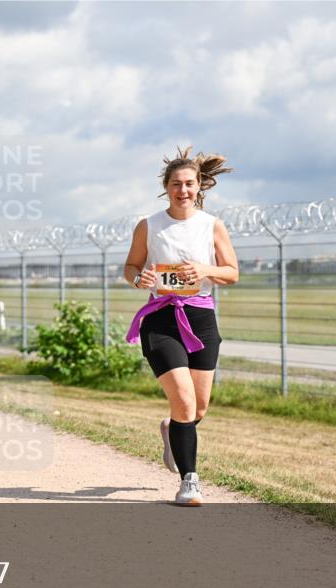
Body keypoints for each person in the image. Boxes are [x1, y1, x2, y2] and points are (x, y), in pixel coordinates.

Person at [123, 147, 239, 506]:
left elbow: (232, 272)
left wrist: (204, 270)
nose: (183, 190)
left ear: (199, 185)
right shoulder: (149, 225)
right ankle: (190, 482)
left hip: (201, 318)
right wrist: (138, 278)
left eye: (189, 184)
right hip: (161, 319)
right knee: (185, 403)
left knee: (198, 409)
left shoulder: (212, 225)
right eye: (176, 184)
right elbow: (131, 266)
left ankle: (171, 429)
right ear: (166, 187)